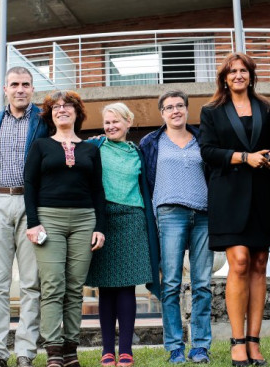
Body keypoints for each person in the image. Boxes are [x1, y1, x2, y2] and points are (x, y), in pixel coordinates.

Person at [199, 53, 270, 367]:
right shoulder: (211, 111)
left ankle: (254, 341)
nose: (238, 75)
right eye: (232, 71)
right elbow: (207, 151)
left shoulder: (267, 107)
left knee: (260, 262)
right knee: (238, 261)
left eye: (243, 70)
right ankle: (237, 342)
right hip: (229, 193)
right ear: (224, 78)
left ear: (251, 75)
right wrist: (242, 157)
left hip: (263, 192)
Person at [23, 90, 106, 367]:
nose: (62, 110)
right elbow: (31, 185)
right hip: (49, 219)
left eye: (67, 106)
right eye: (56, 107)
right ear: (50, 115)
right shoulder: (41, 146)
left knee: (74, 287)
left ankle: (71, 348)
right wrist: (33, 222)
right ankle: (54, 350)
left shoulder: (90, 149)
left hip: (84, 220)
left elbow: (98, 190)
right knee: (52, 285)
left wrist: (100, 227)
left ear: (77, 113)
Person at [0, 66, 48, 367]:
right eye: (14, 84)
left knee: (31, 283)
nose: (20, 89)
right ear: (5, 89)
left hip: (32, 205)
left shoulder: (43, 122)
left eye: (26, 84)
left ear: (33, 89)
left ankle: (25, 352)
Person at [85, 103, 161, 367]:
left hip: (132, 219)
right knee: (106, 287)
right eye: (107, 122)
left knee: (128, 286)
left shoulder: (137, 152)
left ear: (128, 123)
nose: (111, 127)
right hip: (102, 220)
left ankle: (126, 350)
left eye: (116, 122)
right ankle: (107, 350)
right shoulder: (94, 147)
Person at [140, 90, 213, 364]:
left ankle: (200, 346)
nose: (175, 111)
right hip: (169, 214)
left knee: (202, 284)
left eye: (179, 106)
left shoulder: (201, 140)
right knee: (171, 283)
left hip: (203, 214)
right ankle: (174, 347)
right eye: (169, 107)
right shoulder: (151, 142)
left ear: (186, 109)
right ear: (162, 113)